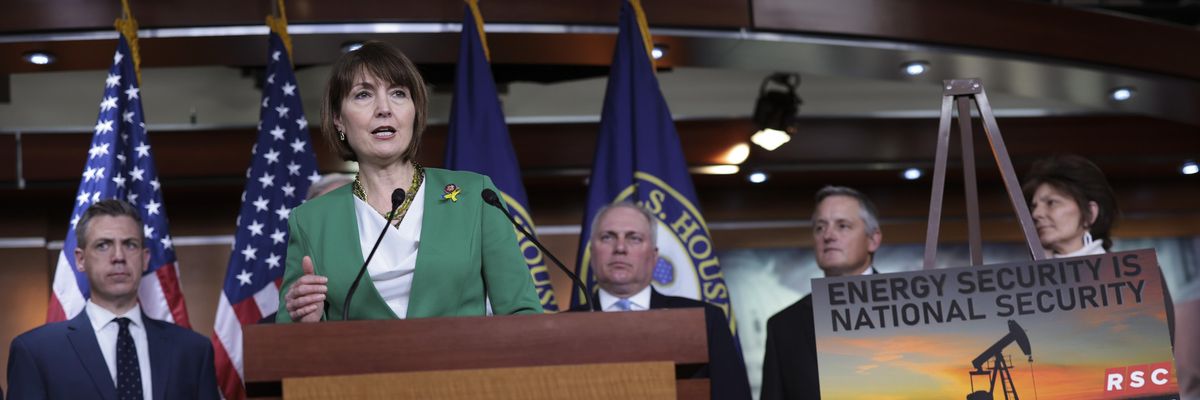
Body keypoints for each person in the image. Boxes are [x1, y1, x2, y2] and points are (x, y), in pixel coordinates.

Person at [279, 41, 541, 322]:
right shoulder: (310, 221)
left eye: (398, 93)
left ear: (415, 112)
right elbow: (286, 344)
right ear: (338, 120)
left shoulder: (476, 196)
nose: (384, 108)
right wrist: (307, 324)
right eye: (363, 95)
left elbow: (522, 314)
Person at [7, 199, 218, 399]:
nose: (118, 256)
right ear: (80, 260)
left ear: (145, 259)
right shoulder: (36, 351)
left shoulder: (193, 351)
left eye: (130, 245)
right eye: (103, 245)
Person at [569, 202, 751, 400]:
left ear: (654, 256)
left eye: (634, 238)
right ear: (592, 252)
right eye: (607, 237)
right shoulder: (563, 329)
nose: (620, 248)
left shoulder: (705, 320)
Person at [1022, 154, 1174, 345]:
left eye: (1051, 202)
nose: (1036, 214)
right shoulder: (1028, 286)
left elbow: (1158, 351)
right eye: (1034, 206)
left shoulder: (1138, 279)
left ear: (1090, 213)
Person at [761, 186, 882, 400]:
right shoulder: (783, 326)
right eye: (820, 228)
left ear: (873, 239)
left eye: (843, 226)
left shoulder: (912, 309)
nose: (828, 236)